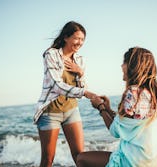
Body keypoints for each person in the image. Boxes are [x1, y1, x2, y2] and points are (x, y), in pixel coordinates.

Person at [77, 47, 157, 167]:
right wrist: (108, 109)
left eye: (124, 62)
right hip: (153, 160)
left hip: (133, 161)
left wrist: (100, 107)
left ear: (133, 66)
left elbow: (115, 131)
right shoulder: (154, 94)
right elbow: (129, 124)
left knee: (81, 159)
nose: (121, 66)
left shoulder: (133, 93)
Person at [33, 21, 97, 167]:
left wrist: (80, 72)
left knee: (80, 156)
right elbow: (57, 86)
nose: (79, 43)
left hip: (71, 111)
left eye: (82, 39)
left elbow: (82, 86)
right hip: (50, 113)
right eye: (76, 38)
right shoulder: (51, 54)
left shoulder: (80, 60)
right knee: (48, 159)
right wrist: (86, 93)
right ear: (66, 37)